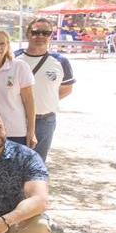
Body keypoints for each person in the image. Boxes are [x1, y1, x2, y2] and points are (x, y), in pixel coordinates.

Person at [15, 17, 75, 161]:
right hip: (16, 118)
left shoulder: (60, 61)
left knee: (37, 162)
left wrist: (46, 100)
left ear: (51, 36)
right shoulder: (14, 57)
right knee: (13, 162)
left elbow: (67, 88)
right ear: (28, 34)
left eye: (45, 33)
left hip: (44, 121)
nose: (40, 36)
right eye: (36, 32)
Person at [0, 29, 36, 148]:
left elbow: (29, 101)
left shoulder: (19, 67)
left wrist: (31, 132)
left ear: (8, 46)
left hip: (15, 131)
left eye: (2, 43)